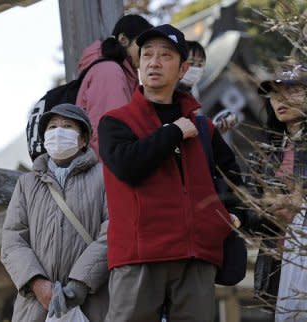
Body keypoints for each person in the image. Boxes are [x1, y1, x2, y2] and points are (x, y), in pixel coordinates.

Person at [98, 24, 243, 322]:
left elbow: (233, 178)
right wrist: (173, 132)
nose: (154, 61)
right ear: (138, 64)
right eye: (147, 54)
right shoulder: (115, 122)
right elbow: (128, 167)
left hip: (198, 255)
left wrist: (230, 216)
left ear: (182, 68)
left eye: (165, 55)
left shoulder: (203, 127)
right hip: (140, 255)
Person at [1, 103, 109, 321]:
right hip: (35, 304)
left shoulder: (104, 177)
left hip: (92, 300)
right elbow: (12, 240)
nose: (58, 132)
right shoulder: (26, 183)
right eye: (52, 127)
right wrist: (37, 283)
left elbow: (113, 231)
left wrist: (80, 284)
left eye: (67, 126)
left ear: (83, 139)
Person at [247, 64, 307, 321]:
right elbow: (248, 213)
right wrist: (267, 211)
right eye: (273, 93)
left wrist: (299, 204)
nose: (279, 99)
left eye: (291, 90)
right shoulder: (265, 152)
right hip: (278, 262)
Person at [75, 14, 153, 156]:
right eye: (143, 46)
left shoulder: (118, 71)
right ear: (123, 40)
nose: (147, 54)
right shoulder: (109, 72)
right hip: (107, 171)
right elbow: (108, 138)